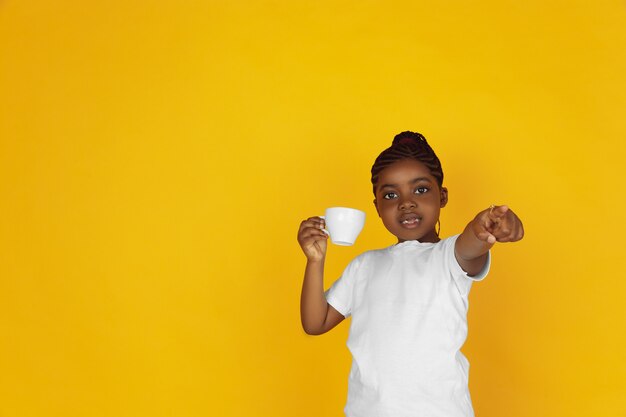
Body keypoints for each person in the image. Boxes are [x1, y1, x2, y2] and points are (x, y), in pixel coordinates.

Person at [297, 131, 524, 417]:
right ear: (377, 207)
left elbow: (471, 244)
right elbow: (315, 323)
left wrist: (486, 225)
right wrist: (315, 260)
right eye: (391, 195)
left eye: (420, 189)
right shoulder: (364, 266)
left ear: (442, 196)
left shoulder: (449, 256)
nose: (406, 202)